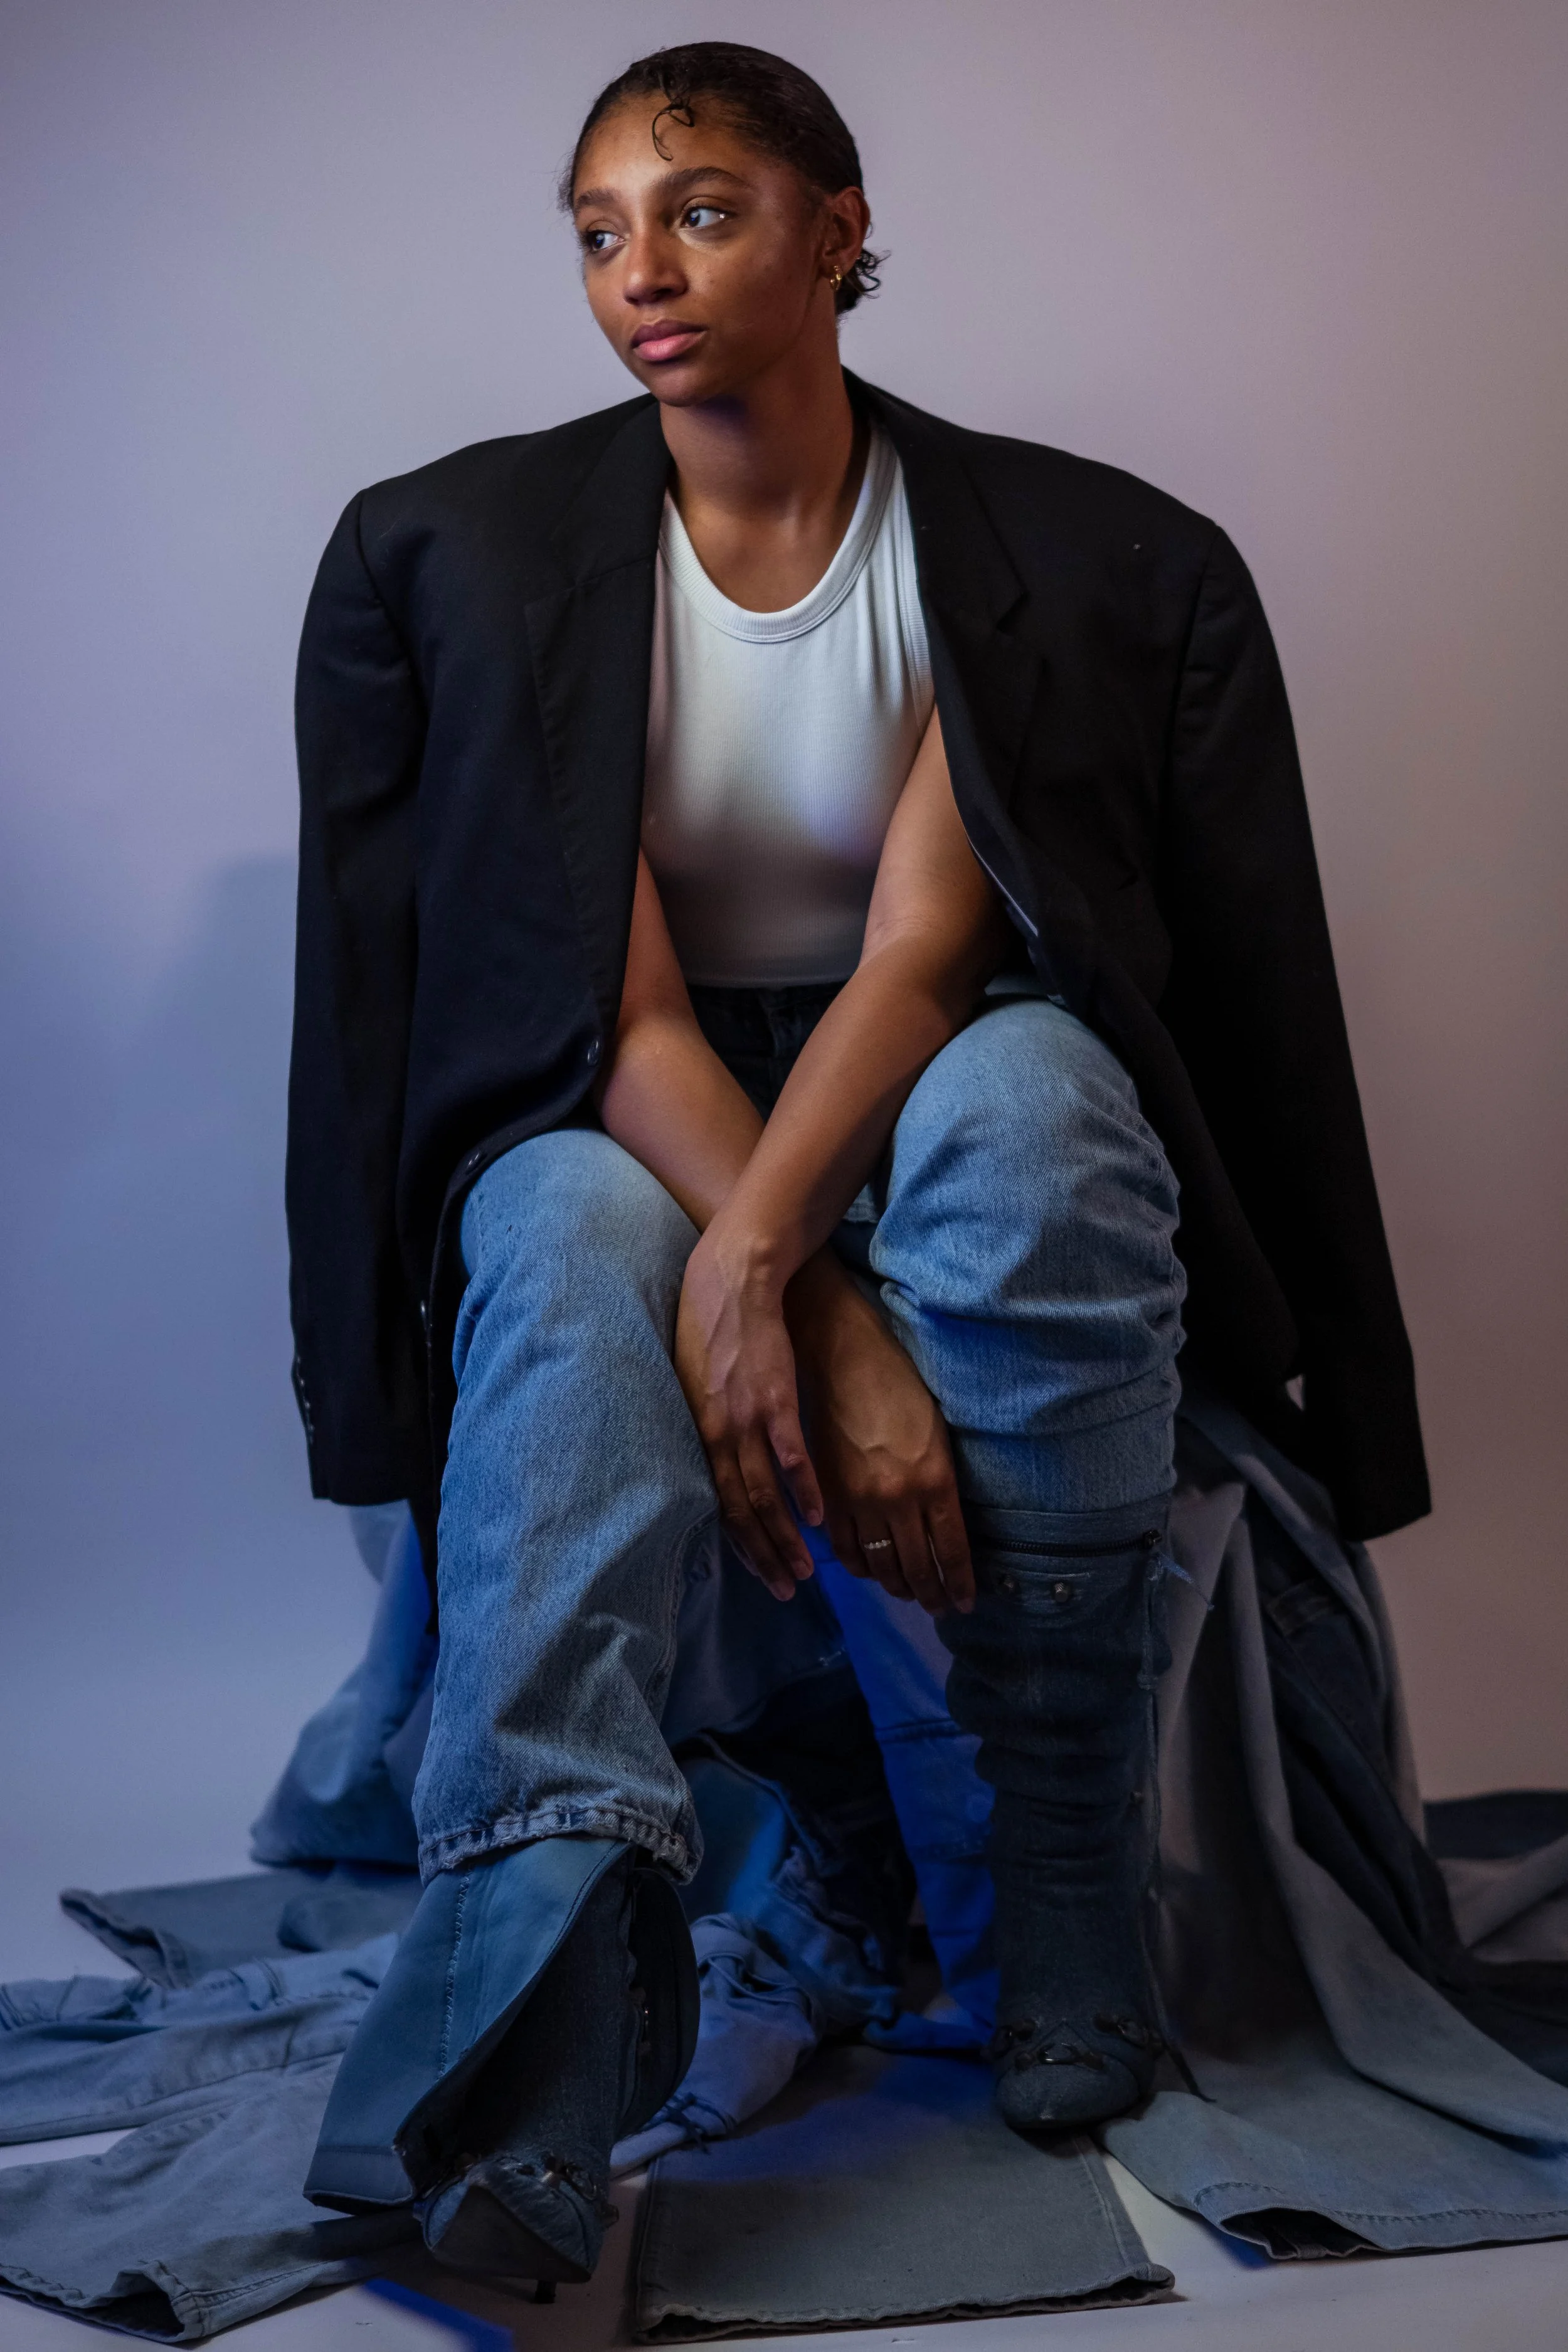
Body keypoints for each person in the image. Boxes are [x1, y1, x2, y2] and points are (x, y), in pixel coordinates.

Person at [287, 41, 1428, 2288]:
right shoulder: (466, 548)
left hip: (925, 1035)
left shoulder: (1061, 549)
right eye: (598, 228)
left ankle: (1062, 1883)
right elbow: (598, 1020)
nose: (641, 271)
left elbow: (930, 949)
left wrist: (798, 1264)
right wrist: (799, 1300)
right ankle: (513, 2047)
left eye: (699, 209)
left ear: (835, 224)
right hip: (619, 1071)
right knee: (550, 1222)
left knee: (1039, 1111)